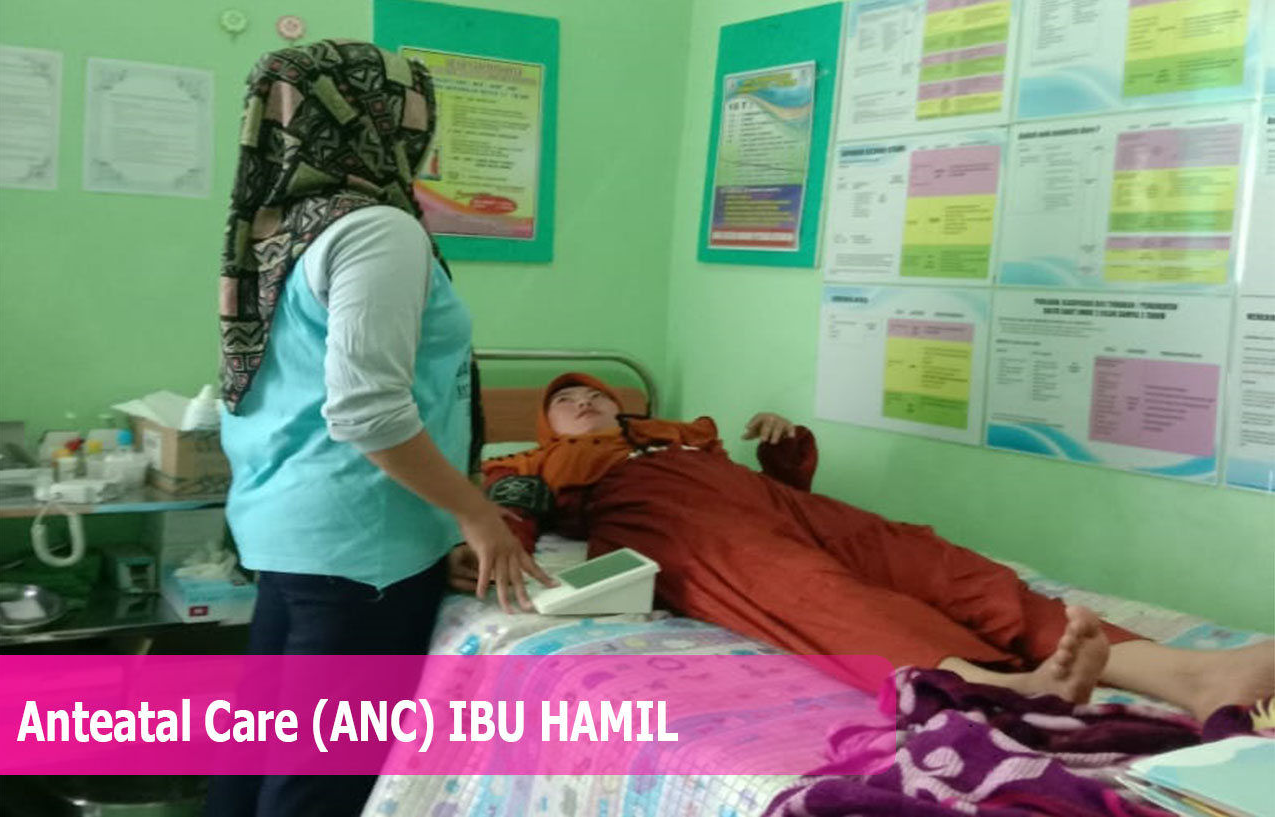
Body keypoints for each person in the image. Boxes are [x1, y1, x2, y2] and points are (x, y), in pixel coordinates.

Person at [450, 372, 1274, 722]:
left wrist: (783, 451)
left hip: (760, 497)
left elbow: (784, 494)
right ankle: (987, 686)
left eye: (593, 392)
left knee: (930, 560)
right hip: (659, 513)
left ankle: (1190, 674)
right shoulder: (536, 463)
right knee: (805, 586)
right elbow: (510, 512)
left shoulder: (683, 432)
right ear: (544, 427)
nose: (583, 399)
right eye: (565, 401)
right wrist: (496, 546)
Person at [209, 40, 549, 817]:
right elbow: (368, 410)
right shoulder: (376, 230)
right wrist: (476, 514)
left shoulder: (282, 226)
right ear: (384, 120)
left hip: (290, 528)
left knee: (257, 757)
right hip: (360, 545)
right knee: (320, 785)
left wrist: (444, 527)